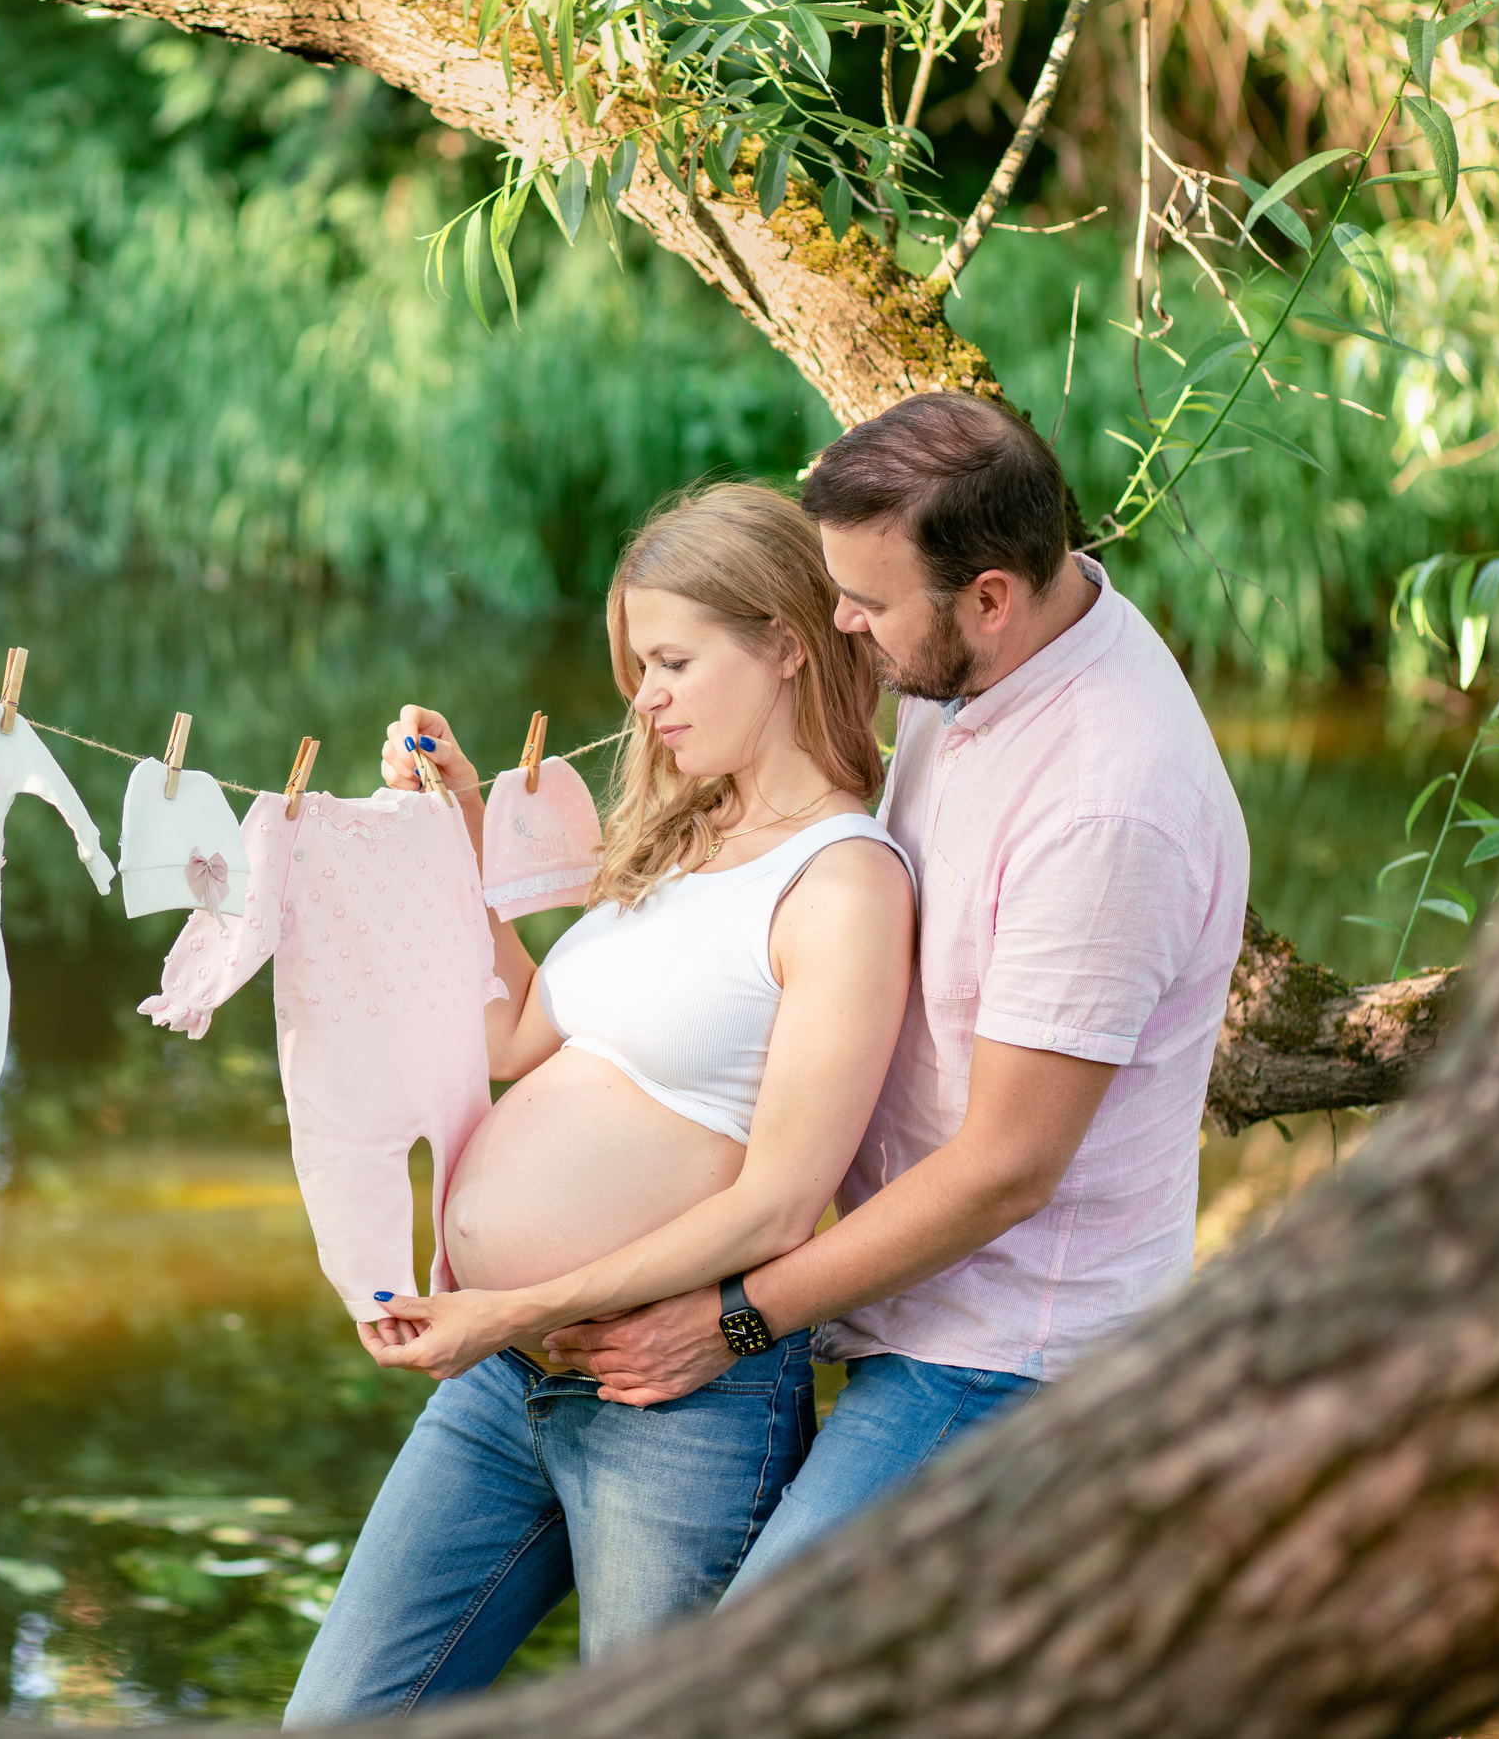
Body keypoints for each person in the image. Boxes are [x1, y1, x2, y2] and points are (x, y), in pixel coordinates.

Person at [540, 392, 1251, 1601]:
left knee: (765, 1669)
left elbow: (1004, 1169)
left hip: (1001, 1351)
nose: (839, 627)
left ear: (988, 596)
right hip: (888, 1303)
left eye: (864, 606)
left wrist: (740, 1314)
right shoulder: (974, 661)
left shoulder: (1104, 804)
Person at [281, 483, 918, 1725]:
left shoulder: (842, 885)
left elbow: (783, 1200)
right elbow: (520, 1032)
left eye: (674, 660)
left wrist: (512, 1301)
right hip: (501, 1377)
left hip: (673, 1402)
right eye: (638, 664)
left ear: (788, 641)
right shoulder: (687, 834)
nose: (645, 695)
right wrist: (452, 839)